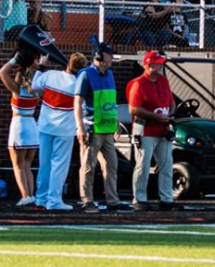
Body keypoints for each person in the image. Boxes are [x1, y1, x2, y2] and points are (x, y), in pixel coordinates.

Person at [76, 42, 126, 211]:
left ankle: (113, 200)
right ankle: (86, 200)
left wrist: (115, 120)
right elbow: (77, 103)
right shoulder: (85, 75)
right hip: (92, 127)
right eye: (109, 54)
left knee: (112, 165)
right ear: (99, 56)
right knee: (89, 166)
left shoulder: (109, 74)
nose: (111, 57)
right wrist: (81, 128)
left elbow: (110, 101)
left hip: (107, 128)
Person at [32, 53, 85, 211]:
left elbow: (34, 86)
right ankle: (54, 200)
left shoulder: (50, 75)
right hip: (65, 130)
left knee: (45, 164)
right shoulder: (78, 85)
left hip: (45, 126)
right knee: (59, 166)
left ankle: (41, 198)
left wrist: (41, 66)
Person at [128, 51, 179, 209]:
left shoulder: (163, 81)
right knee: (143, 164)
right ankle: (139, 198)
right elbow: (133, 109)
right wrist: (156, 116)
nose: (160, 65)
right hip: (145, 129)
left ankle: (166, 198)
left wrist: (169, 115)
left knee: (166, 164)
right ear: (148, 65)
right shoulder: (138, 83)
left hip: (162, 129)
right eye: (157, 63)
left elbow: (171, 102)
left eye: (160, 63)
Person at [0, 53, 41, 206]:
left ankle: (25, 196)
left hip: (19, 125)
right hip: (32, 125)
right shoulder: (36, 91)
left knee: (18, 165)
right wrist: (36, 65)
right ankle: (31, 195)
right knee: (27, 165)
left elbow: (2, 72)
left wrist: (14, 60)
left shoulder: (17, 90)